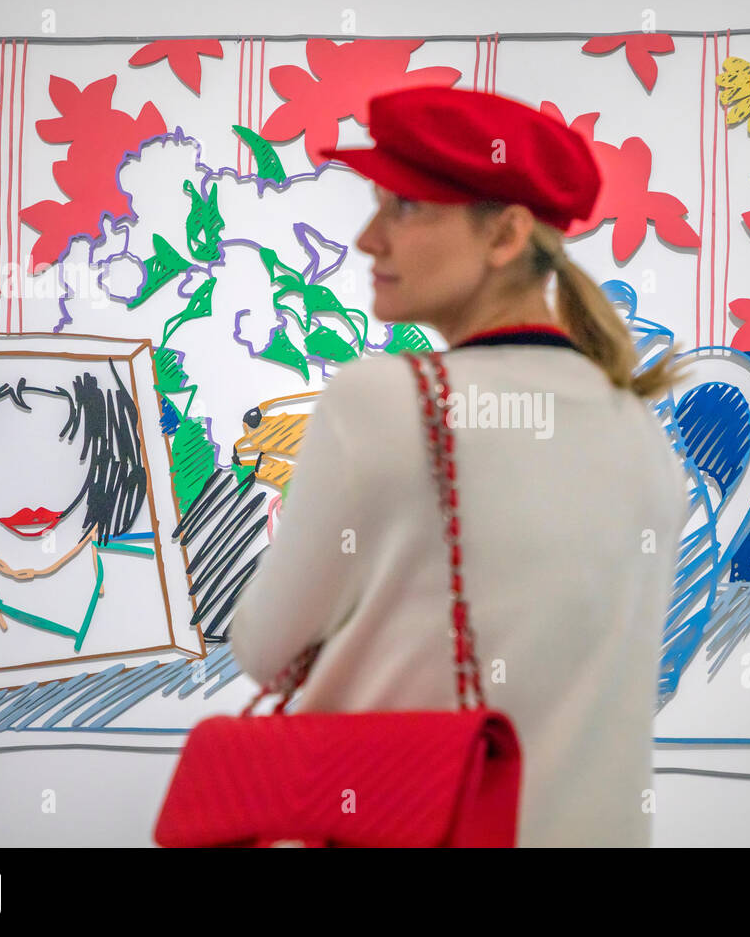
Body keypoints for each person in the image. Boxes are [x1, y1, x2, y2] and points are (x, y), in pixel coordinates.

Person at [229, 85, 691, 847]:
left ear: (505, 235)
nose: (369, 239)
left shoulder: (381, 402)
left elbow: (262, 648)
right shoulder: (644, 437)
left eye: (406, 207)